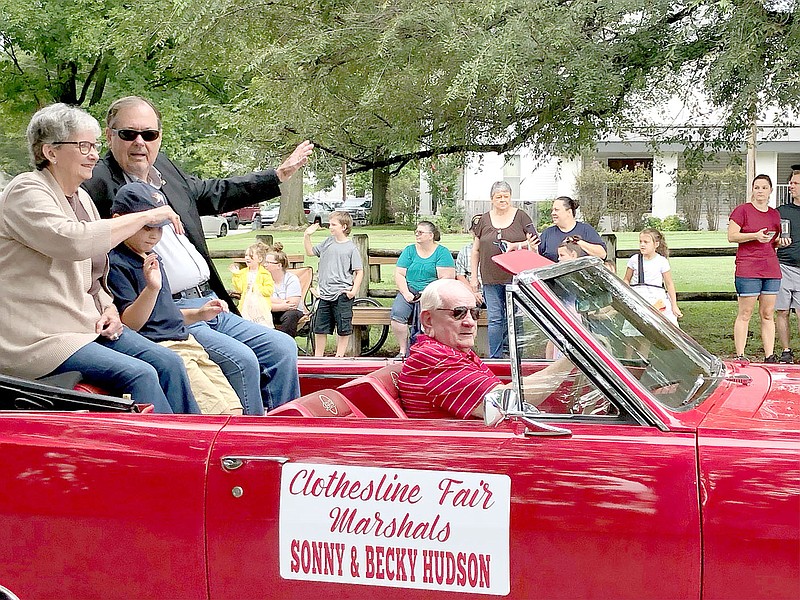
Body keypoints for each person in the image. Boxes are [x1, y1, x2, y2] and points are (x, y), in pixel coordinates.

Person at [82, 95, 305, 412]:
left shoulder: (165, 171)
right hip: (167, 310)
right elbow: (78, 243)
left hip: (208, 299)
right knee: (243, 360)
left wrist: (277, 175)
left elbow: (216, 193)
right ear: (109, 135)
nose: (139, 143)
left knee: (281, 346)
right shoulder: (96, 183)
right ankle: (248, 447)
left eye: (149, 134)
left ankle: (284, 434)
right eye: (128, 134)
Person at [0, 103, 199, 414]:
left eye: (94, 146)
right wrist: (146, 215)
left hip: (84, 327)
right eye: (84, 146)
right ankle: (166, 458)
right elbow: (73, 241)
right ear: (51, 152)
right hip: (39, 340)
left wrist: (108, 307)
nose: (94, 154)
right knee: (140, 373)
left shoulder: (81, 198)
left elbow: (94, 274)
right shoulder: (25, 191)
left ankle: (197, 449)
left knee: (169, 361)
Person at [107, 182, 243, 415]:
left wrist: (199, 314)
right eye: (147, 227)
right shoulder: (117, 262)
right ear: (120, 219)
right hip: (165, 348)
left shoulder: (151, 257)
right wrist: (151, 288)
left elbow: (164, 314)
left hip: (188, 342)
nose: (154, 235)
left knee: (232, 408)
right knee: (214, 413)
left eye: (160, 228)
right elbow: (131, 323)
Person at [397, 279, 573, 419]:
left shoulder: (451, 351)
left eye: (474, 313)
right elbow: (504, 402)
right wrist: (571, 359)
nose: (470, 322)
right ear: (428, 320)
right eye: (458, 313)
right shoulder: (434, 360)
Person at [728, 174, 788, 362]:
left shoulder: (774, 214)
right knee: (745, 313)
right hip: (748, 267)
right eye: (757, 187)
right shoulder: (742, 211)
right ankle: (740, 355)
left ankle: (769, 355)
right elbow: (732, 236)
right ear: (752, 190)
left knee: (768, 313)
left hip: (770, 268)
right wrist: (754, 235)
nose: (760, 191)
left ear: (770, 191)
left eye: (764, 187)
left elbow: (773, 241)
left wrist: (781, 242)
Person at [470, 182, 534, 358]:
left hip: (516, 278)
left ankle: (515, 356)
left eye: (506, 196)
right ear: (492, 199)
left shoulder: (521, 217)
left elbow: (535, 243)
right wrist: (474, 278)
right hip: (490, 277)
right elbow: (475, 250)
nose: (503, 199)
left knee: (515, 318)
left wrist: (517, 245)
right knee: (495, 319)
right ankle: (495, 358)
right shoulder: (483, 220)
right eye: (499, 197)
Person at [391, 220, 456, 357]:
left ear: (431, 235)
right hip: (410, 289)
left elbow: (446, 278)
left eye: (420, 232)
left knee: (426, 317)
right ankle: (403, 351)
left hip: (433, 291)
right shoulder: (409, 250)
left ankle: (426, 350)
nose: (417, 234)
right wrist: (406, 293)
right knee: (397, 314)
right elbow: (399, 274)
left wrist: (427, 293)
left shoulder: (442, 253)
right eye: (416, 232)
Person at [303, 211, 364, 357]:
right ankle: (318, 356)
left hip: (342, 294)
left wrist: (353, 291)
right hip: (324, 294)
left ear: (344, 227)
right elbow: (310, 252)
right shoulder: (328, 242)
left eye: (333, 225)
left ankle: (339, 356)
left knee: (343, 327)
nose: (330, 227)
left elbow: (359, 271)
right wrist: (307, 235)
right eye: (330, 224)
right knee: (320, 327)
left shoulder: (351, 248)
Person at [622, 228, 681, 325]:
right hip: (638, 298)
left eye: (646, 242)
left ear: (656, 244)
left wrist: (674, 305)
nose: (642, 245)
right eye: (640, 242)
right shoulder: (634, 260)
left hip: (657, 299)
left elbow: (669, 284)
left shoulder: (662, 261)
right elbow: (626, 279)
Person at [775, 169, 800, 363]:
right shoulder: (781, 211)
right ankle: (786, 351)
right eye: (791, 183)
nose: (791, 186)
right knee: (782, 311)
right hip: (783, 266)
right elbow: (771, 237)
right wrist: (777, 241)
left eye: (796, 183)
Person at [535, 196, 607, 262]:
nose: (552, 213)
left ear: (569, 212)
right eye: (552, 210)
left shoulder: (586, 230)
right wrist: (533, 248)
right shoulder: (547, 233)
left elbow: (602, 254)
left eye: (556, 210)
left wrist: (577, 241)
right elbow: (537, 259)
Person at [264, 243, 305, 338]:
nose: (265, 265)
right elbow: (260, 302)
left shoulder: (291, 279)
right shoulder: (263, 279)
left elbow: (292, 305)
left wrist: (269, 303)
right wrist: (282, 303)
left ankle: (285, 343)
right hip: (272, 311)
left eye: (268, 263)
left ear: (279, 265)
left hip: (291, 312)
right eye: (265, 262)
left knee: (291, 315)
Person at [229, 241, 275, 328]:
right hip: (246, 306)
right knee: (246, 326)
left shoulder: (265, 274)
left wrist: (257, 288)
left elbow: (269, 290)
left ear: (260, 259)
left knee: (262, 326)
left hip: (261, 308)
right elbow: (239, 289)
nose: (247, 258)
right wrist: (236, 275)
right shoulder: (243, 272)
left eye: (251, 256)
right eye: (246, 255)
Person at [455, 214, 484, 307]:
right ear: (471, 231)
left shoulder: (496, 250)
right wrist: (472, 293)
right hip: (469, 293)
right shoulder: (465, 251)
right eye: (476, 230)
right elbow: (460, 275)